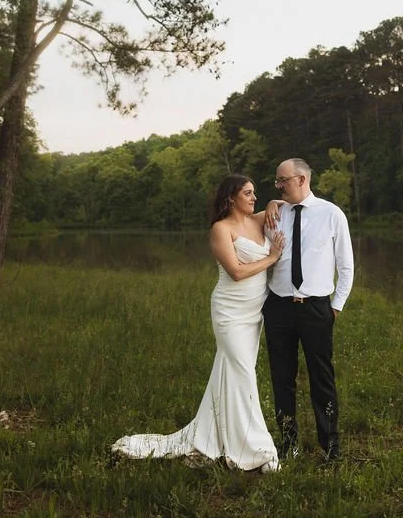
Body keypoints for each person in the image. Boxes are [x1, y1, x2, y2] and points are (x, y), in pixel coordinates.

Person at [111, 174, 285, 472]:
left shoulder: (256, 221)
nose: (254, 197)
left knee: (229, 372)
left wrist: (271, 201)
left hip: (254, 313)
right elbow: (237, 272)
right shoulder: (221, 229)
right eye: (248, 193)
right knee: (243, 374)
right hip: (230, 312)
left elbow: (282, 203)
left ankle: (216, 437)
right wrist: (273, 257)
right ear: (231, 198)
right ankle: (255, 447)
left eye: (255, 193)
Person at [262, 158, 354, 463]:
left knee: (321, 378)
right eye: (276, 182)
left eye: (282, 181)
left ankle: (330, 445)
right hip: (279, 308)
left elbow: (346, 266)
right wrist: (274, 201)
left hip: (316, 308)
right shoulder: (275, 214)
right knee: (281, 377)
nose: (278, 186)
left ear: (302, 180)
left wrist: (335, 307)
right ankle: (288, 444)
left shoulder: (331, 214)